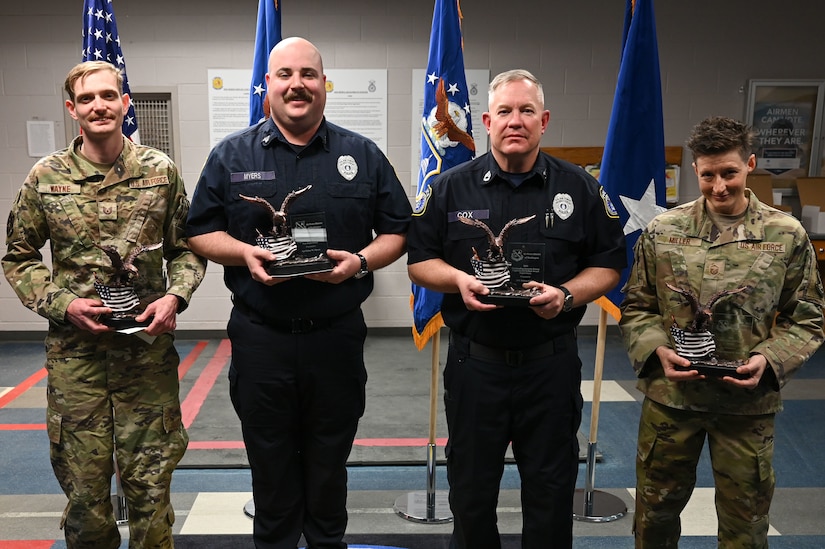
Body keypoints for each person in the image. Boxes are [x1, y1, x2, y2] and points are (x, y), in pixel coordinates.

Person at [185, 37, 411, 549]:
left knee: (330, 468)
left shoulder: (362, 154)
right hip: (262, 339)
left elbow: (398, 230)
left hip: (335, 337)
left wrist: (360, 262)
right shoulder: (231, 155)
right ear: (268, 85)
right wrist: (243, 252)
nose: (297, 84)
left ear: (323, 84)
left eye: (308, 74)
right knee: (271, 471)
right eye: (284, 74)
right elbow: (198, 230)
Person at [406, 69, 627, 548]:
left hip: (549, 366)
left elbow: (609, 265)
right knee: (470, 494)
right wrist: (458, 280)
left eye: (527, 111)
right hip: (475, 366)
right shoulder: (449, 188)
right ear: (486, 120)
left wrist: (567, 295)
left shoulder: (579, 189)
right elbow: (420, 261)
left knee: (550, 496)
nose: (515, 120)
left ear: (544, 120)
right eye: (504, 111)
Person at [2, 60, 206, 548]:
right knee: (85, 500)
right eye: (88, 99)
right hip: (78, 365)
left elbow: (188, 248)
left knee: (151, 496)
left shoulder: (160, 172)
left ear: (125, 104)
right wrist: (62, 304)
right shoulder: (45, 177)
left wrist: (176, 296)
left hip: (146, 361)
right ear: (73, 109)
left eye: (109, 96)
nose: (99, 106)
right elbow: (19, 257)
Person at [619, 116, 825, 548]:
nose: (718, 186)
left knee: (745, 527)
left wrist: (769, 359)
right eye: (708, 174)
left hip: (746, 405)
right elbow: (638, 306)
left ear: (749, 164)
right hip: (672, 403)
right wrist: (656, 351)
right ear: (696, 170)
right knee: (654, 516)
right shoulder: (663, 230)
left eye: (729, 173)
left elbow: (807, 316)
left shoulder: (786, 234)